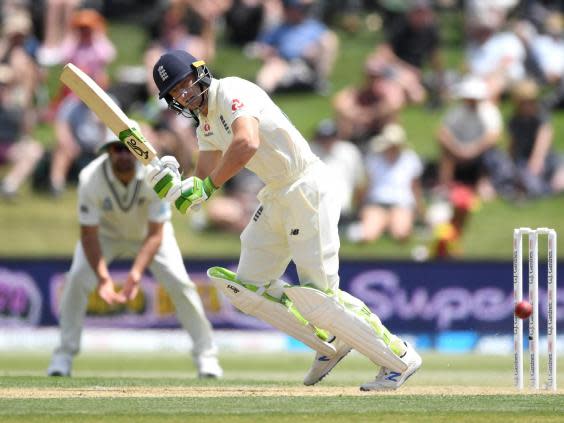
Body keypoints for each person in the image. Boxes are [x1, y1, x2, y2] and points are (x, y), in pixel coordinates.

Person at [146, 49, 421, 391]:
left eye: (185, 83)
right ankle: (329, 341)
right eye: (175, 92)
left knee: (321, 295)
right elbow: (204, 178)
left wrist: (205, 186)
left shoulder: (231, 90)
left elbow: (246, 142)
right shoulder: (203, 122)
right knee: (248, 287)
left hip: (306, 186)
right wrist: (174, 185)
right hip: (276, 194)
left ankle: (399, 357)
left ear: (199, 72)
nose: (183, 94)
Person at [47, 123, 222, 379]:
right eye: (117, 148)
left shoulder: (156, 177)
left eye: (129, 148)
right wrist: (104, 278)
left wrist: (136, 274)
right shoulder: (89, 178)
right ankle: (63, 354)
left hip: (148, 235)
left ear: (138, 151)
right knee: (76, 280)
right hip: (106, 235)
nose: (123, 154)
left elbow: (155, 234)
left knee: (181, 284)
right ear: (108, 151)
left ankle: (206, 356)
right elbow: (88, 234)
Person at [346, 123, 424, 243]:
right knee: (367, 235)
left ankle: (392, 224)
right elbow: (366, 185)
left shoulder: (410, 159)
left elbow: (415, 187)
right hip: (376, 204)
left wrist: (420, 211)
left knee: (401, 234)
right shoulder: (373, 159)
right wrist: (359, 207)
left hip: (401, 204)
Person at [508, 79, 564, 197]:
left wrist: (537, 160)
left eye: (531, 101)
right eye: (524, 102)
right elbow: (513, 144)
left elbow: (544, 137)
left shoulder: (541, 116)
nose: (528, 105)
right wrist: (511, 164)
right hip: (523, 160)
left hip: (547, 159)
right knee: (525, 180)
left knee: (559, 180)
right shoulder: (514, 120)